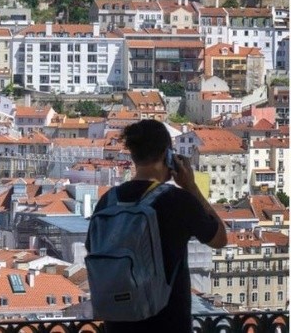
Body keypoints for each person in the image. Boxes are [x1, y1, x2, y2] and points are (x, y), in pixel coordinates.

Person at [86, 119, 227, 333]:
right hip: (168, 324)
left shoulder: (107, 201)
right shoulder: (178, 201)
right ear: (167, 154)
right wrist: (191, 186)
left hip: (118, 323)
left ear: (133, 155)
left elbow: (93, 249)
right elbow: (219, 238)